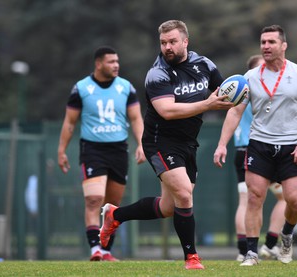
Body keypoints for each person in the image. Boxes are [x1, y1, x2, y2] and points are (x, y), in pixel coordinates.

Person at [99, 19, 233, 270]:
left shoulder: (204, 65)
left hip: (188, 143)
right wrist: (207, 105)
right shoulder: (157, 73)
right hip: (160, 141)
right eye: (163, 43)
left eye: (172, 42)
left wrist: (242, 98)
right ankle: (191, 258)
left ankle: (115, 215)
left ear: (185, 42)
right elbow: (167, 111)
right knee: (184, 193)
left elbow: (226, 94)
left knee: (168, 207)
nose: (167, 47)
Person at [213, 25, 297, 266]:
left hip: (292, 147)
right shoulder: (250, 77)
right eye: (263, 42)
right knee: (254, 197)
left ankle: (286, 234)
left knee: (294, 200)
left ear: (283, 46)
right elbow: (234, 113)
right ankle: (251, 253)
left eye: (271, 42)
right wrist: (222, 144)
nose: (265, 46)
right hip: (260, 145)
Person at [57, 46, 146, 261]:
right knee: (94, 199)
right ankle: (95, 248)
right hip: (92, 149)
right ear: (98, 64)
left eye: (117, 61)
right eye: (110, 62)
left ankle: (106, 251)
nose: (116, 65)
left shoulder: (126, 87)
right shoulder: (81, 88)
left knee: (111, 206)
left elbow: (135, 118)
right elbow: (70, 122)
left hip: (118, 149)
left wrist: (141, 144)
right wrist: (61, 150)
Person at [233, 54, 286, 262]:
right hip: (260, 149)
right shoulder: (263, 89)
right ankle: (270, 245)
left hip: (240, 149)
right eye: (262, 67)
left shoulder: (240, 89)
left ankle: (242, 250)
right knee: (284, 198)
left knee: (246, 201)